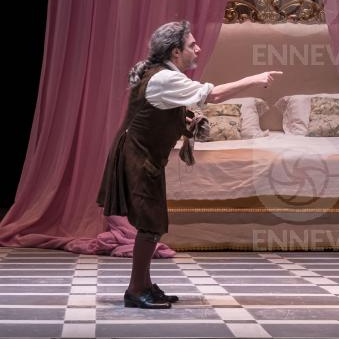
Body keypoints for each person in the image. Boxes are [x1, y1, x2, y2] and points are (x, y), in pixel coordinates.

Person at [97, 21, 282, 309]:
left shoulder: (162, 75)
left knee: (153, 223)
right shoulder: (165, 78)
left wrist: (185, 121)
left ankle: (145, 285)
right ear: (175, 51)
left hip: (144, 155)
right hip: (138, 157)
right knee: (150, 223)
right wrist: (254, 79)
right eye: (192, 45)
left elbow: (156, 112)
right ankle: (135, 290)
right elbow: (213, 95)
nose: (198, 49)